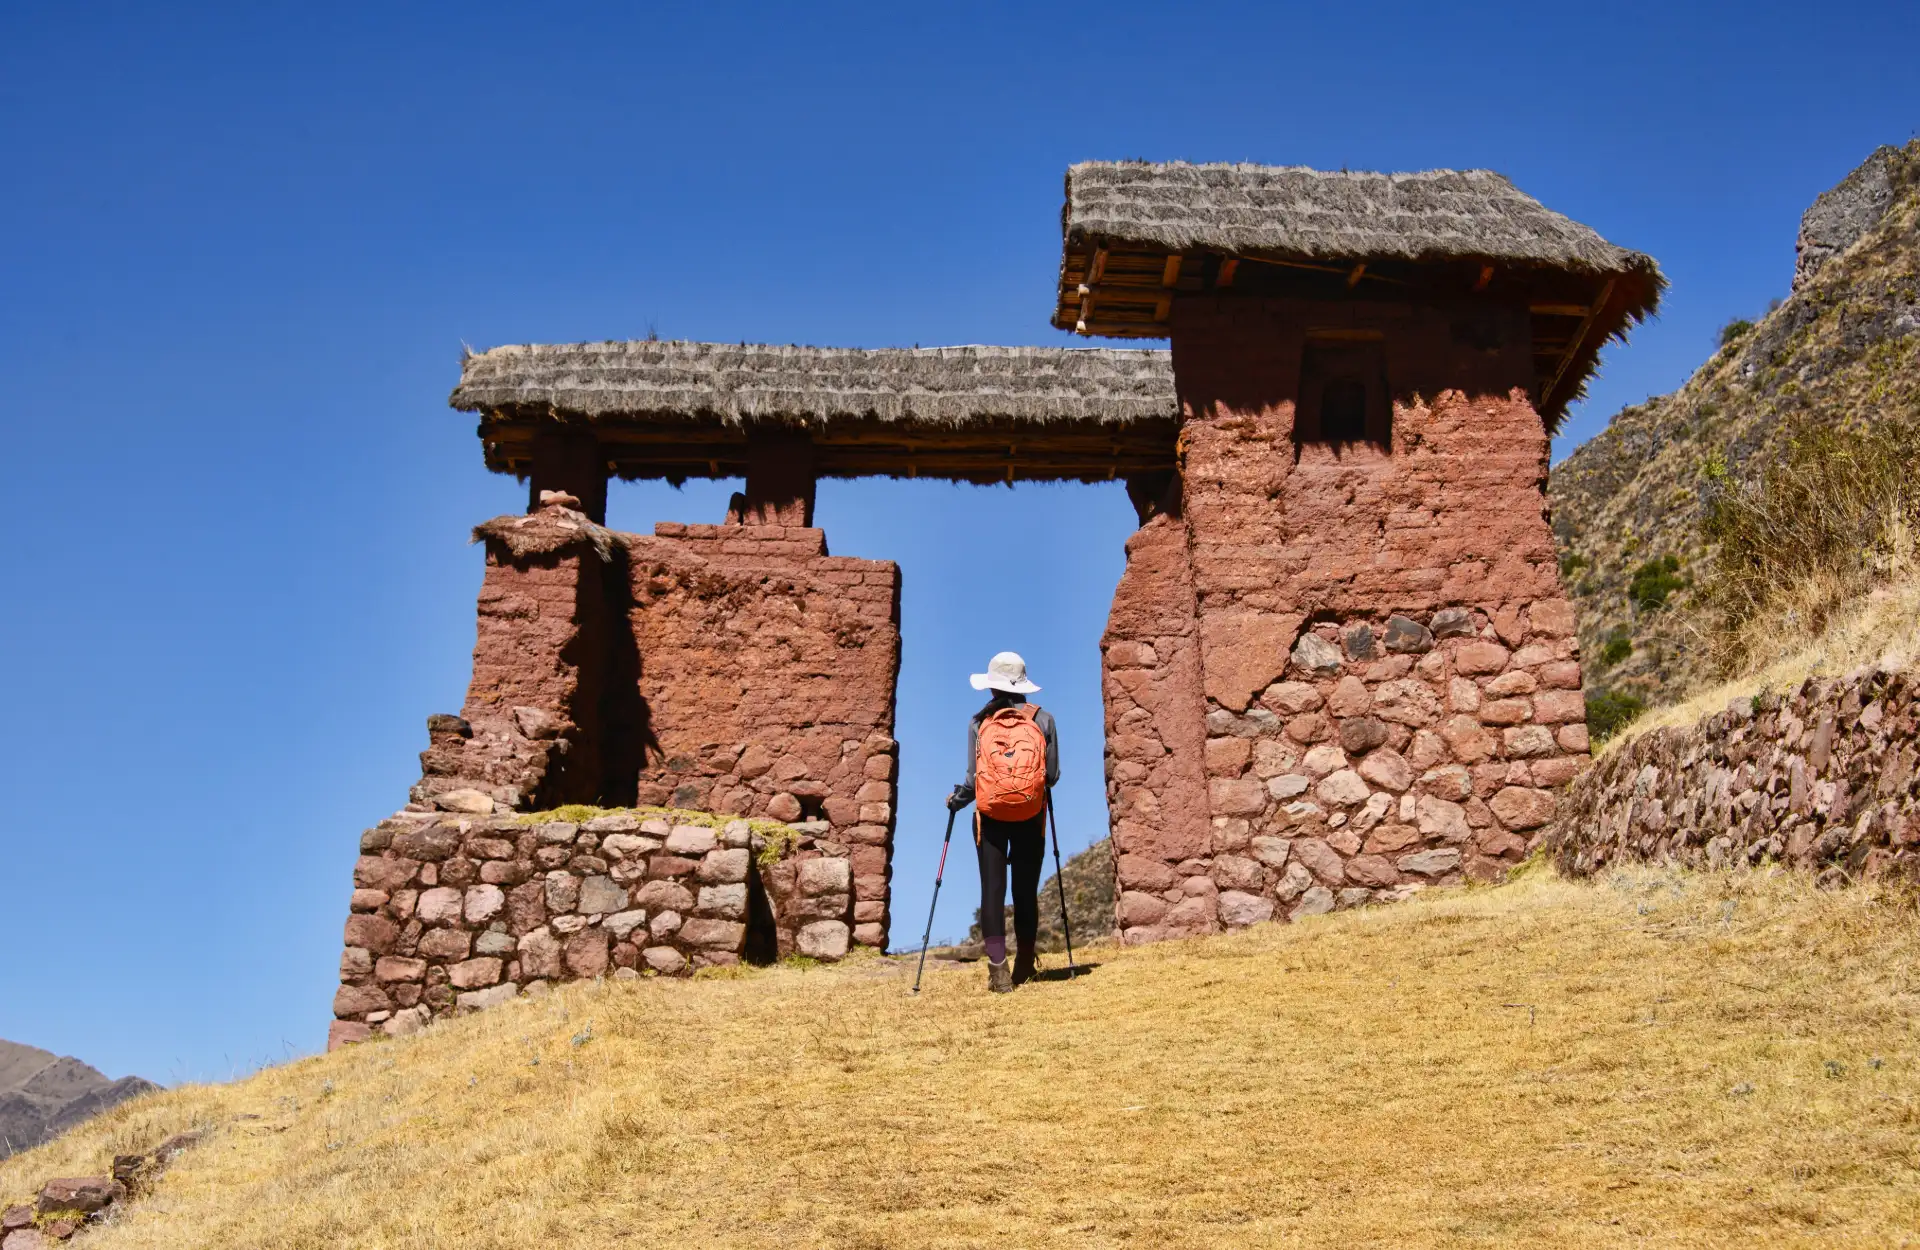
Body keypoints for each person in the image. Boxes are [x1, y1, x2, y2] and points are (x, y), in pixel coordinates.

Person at [947, 651, 1060, 993]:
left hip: (991, 818)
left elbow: (973, 779)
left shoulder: (978, 723)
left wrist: (956, 801)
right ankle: (1025, 963)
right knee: (1024, 889)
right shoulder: (1044, 720)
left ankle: (998, 971)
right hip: (1030, 814)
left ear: (992, 688)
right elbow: (1051, 775)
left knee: (992, 890)